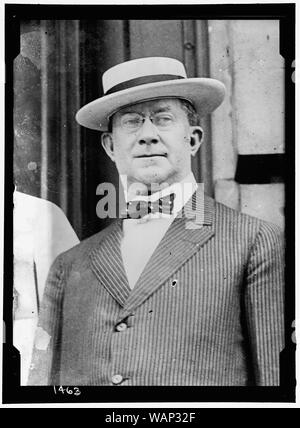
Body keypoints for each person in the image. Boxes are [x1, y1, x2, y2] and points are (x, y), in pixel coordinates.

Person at [28, 57, 284, 386]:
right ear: (110, 145)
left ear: (192, 139)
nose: (148, 135)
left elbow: (275, 386)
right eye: (132, 122)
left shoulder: (253, 241)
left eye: (163, 119)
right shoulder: (69, 265)